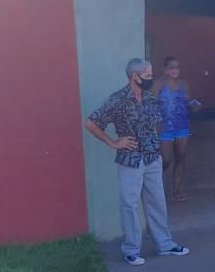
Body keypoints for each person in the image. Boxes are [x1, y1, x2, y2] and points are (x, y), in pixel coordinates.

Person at [84, 58, 190, 266]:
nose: (151, 79)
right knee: (129, 205)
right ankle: (131, 249)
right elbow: (91, 122)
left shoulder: (150, 98)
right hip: (131, 160)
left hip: (152, 158)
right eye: (148, 76)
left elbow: (156, 123)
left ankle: (165, 244)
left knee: (157, 201)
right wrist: (114, 142)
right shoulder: (118, 99)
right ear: (135, 76)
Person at [152, 57, 201, 202]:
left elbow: (188, 102)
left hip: (182, 126)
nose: (175, 70)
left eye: (177, 67)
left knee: (181, 157)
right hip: (165, 126)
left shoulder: (183, 84)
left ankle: (176, 190)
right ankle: (152, 182)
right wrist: (156, 123)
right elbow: (150, 104)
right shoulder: (158, 84)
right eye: (171, 67)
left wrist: (195, 105)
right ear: (165, 69)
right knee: (166, 159)